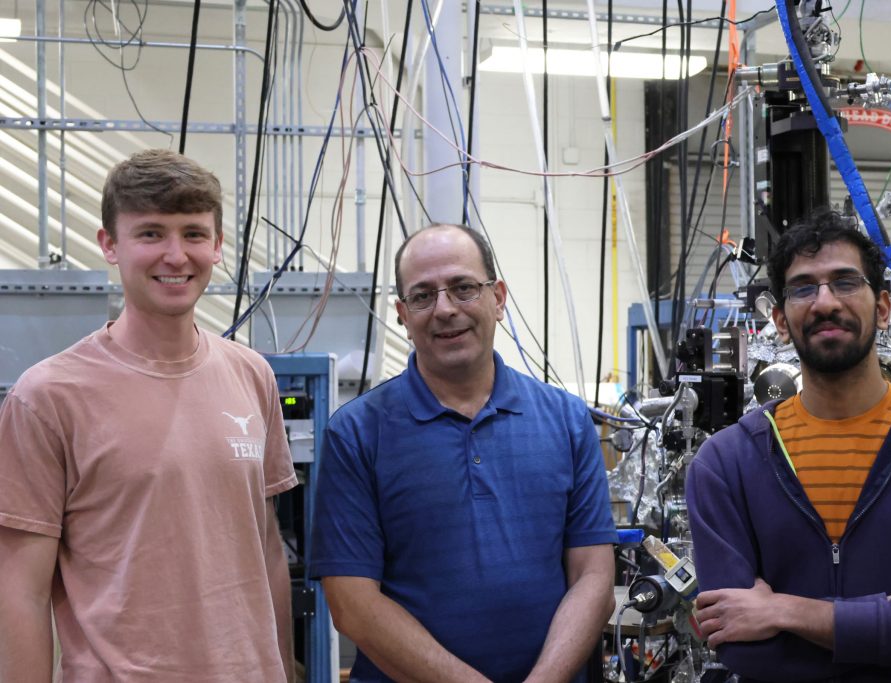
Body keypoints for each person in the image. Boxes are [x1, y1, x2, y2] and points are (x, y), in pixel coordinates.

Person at [0, 149, 297, 682]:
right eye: (151, 233)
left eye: (194, 233)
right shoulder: (48, 397)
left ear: (218, 245)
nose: (176, 255)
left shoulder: (252, 376)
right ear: (109, 245)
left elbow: (268, 550)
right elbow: (19, 589)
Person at [687, 211, 891, 683]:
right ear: (780, 320)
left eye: (844, 282)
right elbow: (742, 648)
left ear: (882, 309)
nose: (824, 302)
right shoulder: (726, 463)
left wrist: (783, 611)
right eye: (803, 288)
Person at [310, 223, 617, 683]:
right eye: (422, 296)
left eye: (464, 288)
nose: (445, 309)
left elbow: (594, 578)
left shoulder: (567, 420)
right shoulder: (356, 433)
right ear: (401, 313)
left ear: (499, 297)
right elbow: (353, 606)